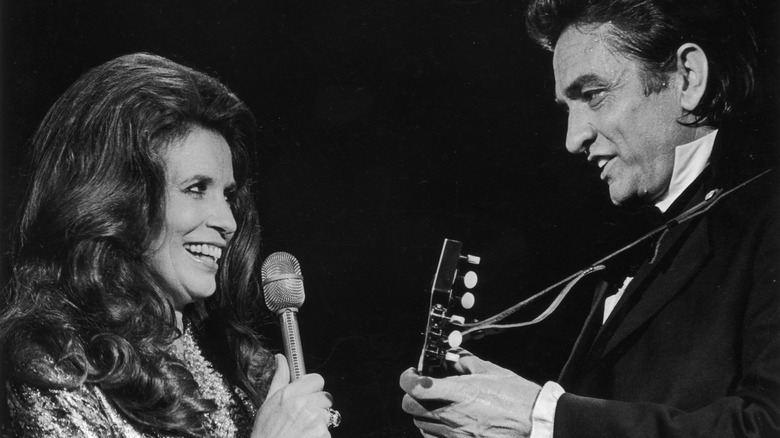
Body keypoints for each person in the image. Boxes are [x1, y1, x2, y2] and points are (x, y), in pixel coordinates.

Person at [400, 0, 780, 437]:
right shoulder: (642, 240)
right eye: (568, 107)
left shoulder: (765, 218)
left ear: (688, 79)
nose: (573, 138)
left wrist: (539, 418)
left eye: (594, 94)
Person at [0, 53, 337, 437]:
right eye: (196, 189)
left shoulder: (233, 364)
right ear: (119, 199)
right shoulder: (53, 365)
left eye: (228, 195)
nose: (228, 222)